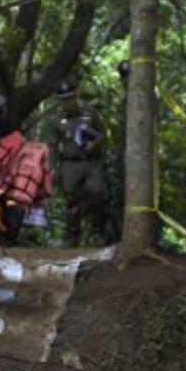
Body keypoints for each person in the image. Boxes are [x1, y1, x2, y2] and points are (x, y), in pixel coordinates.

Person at [46, 78, 107, 246]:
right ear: (59, 100)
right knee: (72, 201)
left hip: (91, 162)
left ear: (76, 96)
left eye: (70, 98)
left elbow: (103, 134)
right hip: (69, 164)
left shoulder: (90, 112)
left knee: (96, 193)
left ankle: (97, 233)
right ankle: (72, 238)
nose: (67, 103)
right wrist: (52, 167)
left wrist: (94, 144)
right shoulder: (56, 119)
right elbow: (52, 144)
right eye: (63, 99)